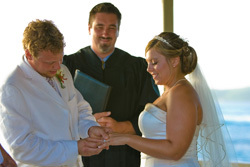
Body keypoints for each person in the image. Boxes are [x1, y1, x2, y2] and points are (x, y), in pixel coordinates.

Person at [108, 32, 239, 167]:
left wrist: (127, 139)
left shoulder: (181, 93)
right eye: (148, 63)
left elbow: (175, 151)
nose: (148, 69)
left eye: (154, 62)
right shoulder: (169, 93)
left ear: (175, 61)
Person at [0, 19, 111, 167]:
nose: (57, 66)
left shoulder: (62, 71)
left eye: (60, 59)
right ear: (29, 55)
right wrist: (74, 148)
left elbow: (78, 107)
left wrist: (90, 127)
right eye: (50, 62)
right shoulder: (13, 87)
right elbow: (21, 147)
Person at [63, 2, 159, 167]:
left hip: (125, 156)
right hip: (82, 156)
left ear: (118, 30)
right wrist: (85, 123)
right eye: (99, 26)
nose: (105, 33)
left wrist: (122, 127)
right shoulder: (68, 66)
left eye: (112, 28)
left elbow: (155, 114)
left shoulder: (137, 68)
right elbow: (53, 112)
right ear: (89, 28)